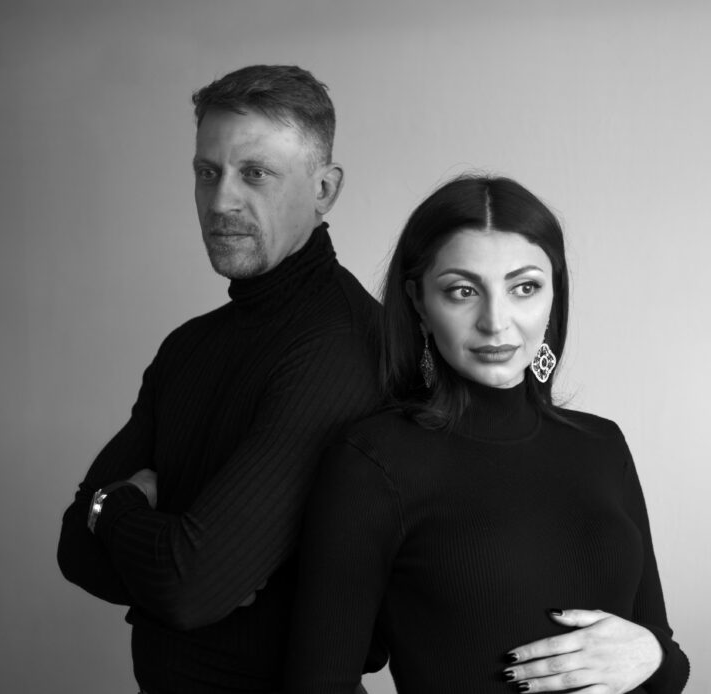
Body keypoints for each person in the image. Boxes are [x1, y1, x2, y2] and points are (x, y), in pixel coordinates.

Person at [285, 175, 690, 693]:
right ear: (418, 302)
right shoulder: (372, 461)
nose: (496, 322)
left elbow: (662, 655)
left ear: (553, 295)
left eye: (525, 287)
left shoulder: (602, 444)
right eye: (463, 290)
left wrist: (655, 653)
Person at [57, 65, 382, 693]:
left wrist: (113, 507)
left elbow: (188, 586)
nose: (221, 200)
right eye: (208, 172)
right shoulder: (189, 345)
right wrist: (158, 545)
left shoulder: (340, 346)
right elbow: (74, 550)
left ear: (325, 190)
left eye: (255, 173)